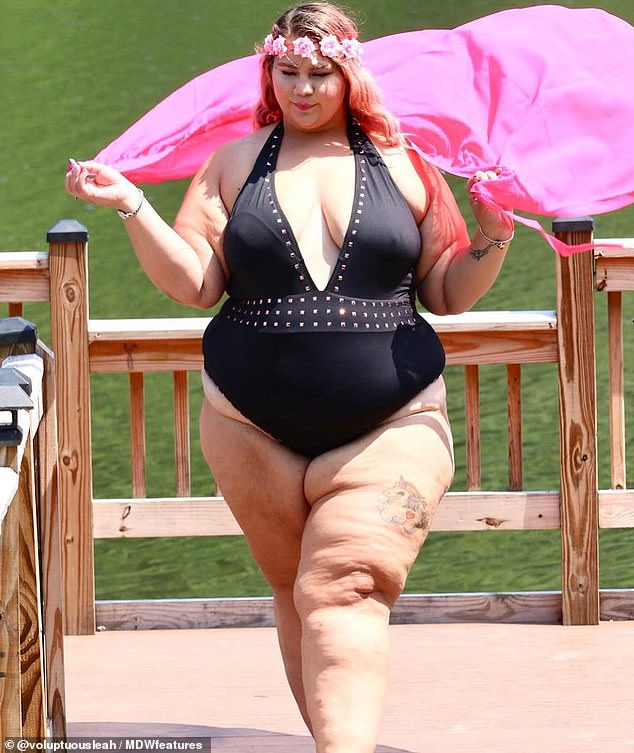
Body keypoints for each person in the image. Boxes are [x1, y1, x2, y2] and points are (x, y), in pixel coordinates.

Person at [65, 3, 514, 750]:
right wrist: (132, 205)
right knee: (294, 591)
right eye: (289, 71)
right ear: (269, 70)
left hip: (394, 422)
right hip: (249, 425)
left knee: (344, 586)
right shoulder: (232, 163)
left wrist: (493, 235)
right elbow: (195, 283)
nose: (304, 88)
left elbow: (446, 292)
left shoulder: (408, 163)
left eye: (321, 73)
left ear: (350, 74)